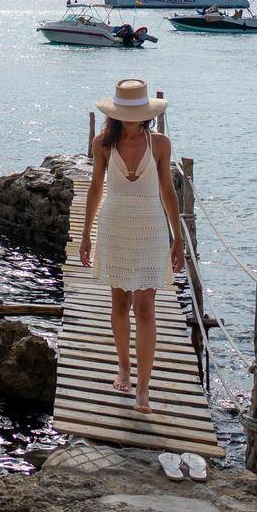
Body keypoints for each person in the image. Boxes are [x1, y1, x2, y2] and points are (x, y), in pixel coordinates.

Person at [79, 79, 187, 414]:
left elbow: (168, 191)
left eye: (136, 113)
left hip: (151, 227)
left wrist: (177, 237)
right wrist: (85, 234)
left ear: (146, 114)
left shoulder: (160, 144)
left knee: (145, 307)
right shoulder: (103, 143)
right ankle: (123, 367)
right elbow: (96, 187)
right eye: (126, 112)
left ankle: (143, 387)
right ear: (116, 113)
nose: (131, 118)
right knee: (119, 302)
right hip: (114, 225)